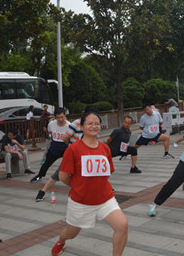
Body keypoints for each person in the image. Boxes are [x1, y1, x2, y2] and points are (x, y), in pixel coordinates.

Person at [51, 109, 128, 256]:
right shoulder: (73, 149)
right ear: (82, 127)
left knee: (122, 225)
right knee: (71, 233)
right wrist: (80, 186)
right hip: (81, 202)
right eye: (90, 123)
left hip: (105, 199)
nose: (94, 126)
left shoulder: (105, 148)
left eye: (97, 124)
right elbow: (62, 177)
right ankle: (61, 240)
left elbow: (107, 174)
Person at [30, 107, 70, 183]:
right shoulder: (51, 124)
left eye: (62, 117)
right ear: (55, 117)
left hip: (65, 147)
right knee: (46, 163)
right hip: (54, 146)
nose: (61, 119)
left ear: (65, 115)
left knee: (70, 163)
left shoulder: (69, 126)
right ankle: (39, 175)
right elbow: (49, 132)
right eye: (58, 118)